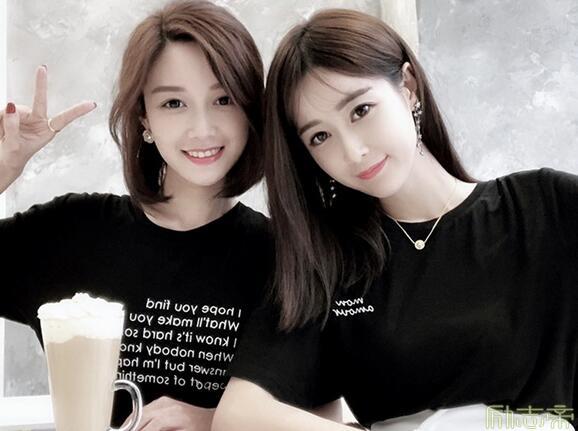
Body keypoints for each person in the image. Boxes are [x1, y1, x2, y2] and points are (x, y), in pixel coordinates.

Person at [212, 8, 578, 431]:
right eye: (320, 136)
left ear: (408, 87)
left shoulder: (546, 207)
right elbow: (240, 415)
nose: (353, 151)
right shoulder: (329, 264)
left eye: (361, 110)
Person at [0, 1, 275, 429]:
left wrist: (214, 421)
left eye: (223, 99)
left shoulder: (278, 257)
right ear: (144, 117)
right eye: (173, 103)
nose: (202, 128)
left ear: (250, 110)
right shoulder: (77, 231)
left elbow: (314, 410)